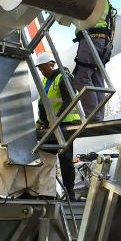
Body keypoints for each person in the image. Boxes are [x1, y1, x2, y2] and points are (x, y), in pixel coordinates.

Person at [34, 51, 79, 200]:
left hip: (66, 124)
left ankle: (70, 194)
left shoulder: (63, 77)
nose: (42, 71)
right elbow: (42, 104)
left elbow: (70, 98)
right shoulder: (47, 82)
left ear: (51, 65)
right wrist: (41, 122)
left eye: (43, 68)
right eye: (40, 69)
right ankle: (47, 192)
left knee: (65, 158)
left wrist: (59, 117)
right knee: (46, 157)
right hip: (52, 126)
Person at [72, 0, 115, 122]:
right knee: (96, 80)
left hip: (91, 37)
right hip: (102, 41)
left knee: (81, 78)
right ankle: (98, 117)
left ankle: (93, 117)